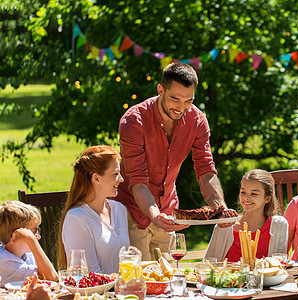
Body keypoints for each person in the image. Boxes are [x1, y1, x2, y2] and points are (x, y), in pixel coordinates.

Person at [115, 62, 228, 260]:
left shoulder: (197, 120)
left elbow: (206, 170)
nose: (181, 108)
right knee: (139, 283)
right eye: (175, 99)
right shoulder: (134, 121)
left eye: (188, 101)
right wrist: (154, 215)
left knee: (167, 282)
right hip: (132, 213)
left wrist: (220, 208)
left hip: (168, 210)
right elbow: (138, 180)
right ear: (160, 90)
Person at [58, 145, 129, 274]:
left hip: (125, 292)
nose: (121, 179)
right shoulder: (76, 219)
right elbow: (88, 275)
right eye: (115, 174)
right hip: (98, 293)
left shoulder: (119, 210)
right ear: (96, 178)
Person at [205, 169, 288, 261]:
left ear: (267, 198)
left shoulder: (279, 225)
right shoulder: (224, 226)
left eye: (254, 194)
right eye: (243, 192)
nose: (246, 198)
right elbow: (209, 262)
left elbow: (280, 263)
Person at [0, 201, 58, 287]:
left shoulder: (26, 254)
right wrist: (32, 241)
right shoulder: (5, 260)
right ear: (16, 235)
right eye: (34, 232)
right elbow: (51, 278)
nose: (38, 237)